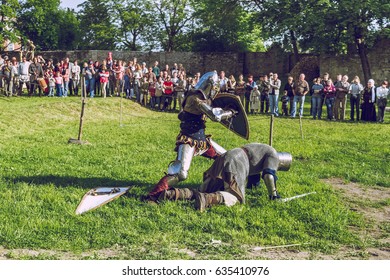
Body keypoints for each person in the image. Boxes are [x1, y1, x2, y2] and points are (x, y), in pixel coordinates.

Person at [145, 71, 236, 201]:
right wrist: (230, 112)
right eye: (215, 87)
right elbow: (215, 116)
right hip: (189, 140)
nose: (215, 90)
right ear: (209, 85)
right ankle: (152, 196)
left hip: (202, 142)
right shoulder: (195, 98)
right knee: (181, 174)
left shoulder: (201, 97)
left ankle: (215, 184)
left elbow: (188, 113)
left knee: (226, 157)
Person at [158, 143, 292, 211]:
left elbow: (254, 173)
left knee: (203, 188)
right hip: (237, 162)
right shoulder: (273, 155)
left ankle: (173, 194)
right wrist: (273, 195)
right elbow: (268, 176)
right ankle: (207, 199)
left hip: (226, 156)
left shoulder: (263, 149)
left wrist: (253, 187)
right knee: (237, 198)